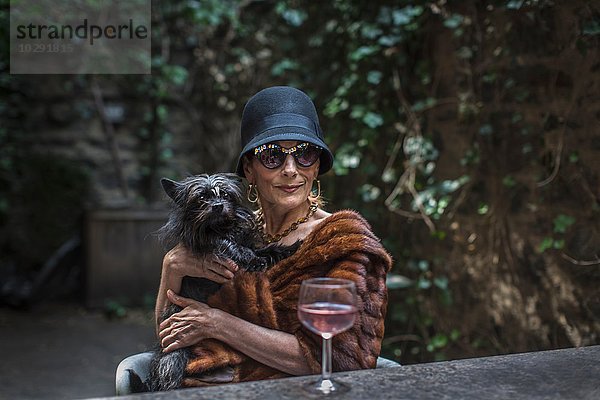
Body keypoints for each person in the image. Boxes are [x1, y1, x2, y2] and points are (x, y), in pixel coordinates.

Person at [116, 86, 393, 393]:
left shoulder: (343, 241)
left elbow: (344, 361)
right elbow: (172, 337)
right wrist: (172, 267)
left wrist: (219, 324)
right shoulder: (228, 235)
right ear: (249, 169)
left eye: (304, 155)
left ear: (316, 167)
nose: (291, 170)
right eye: (272, 156)